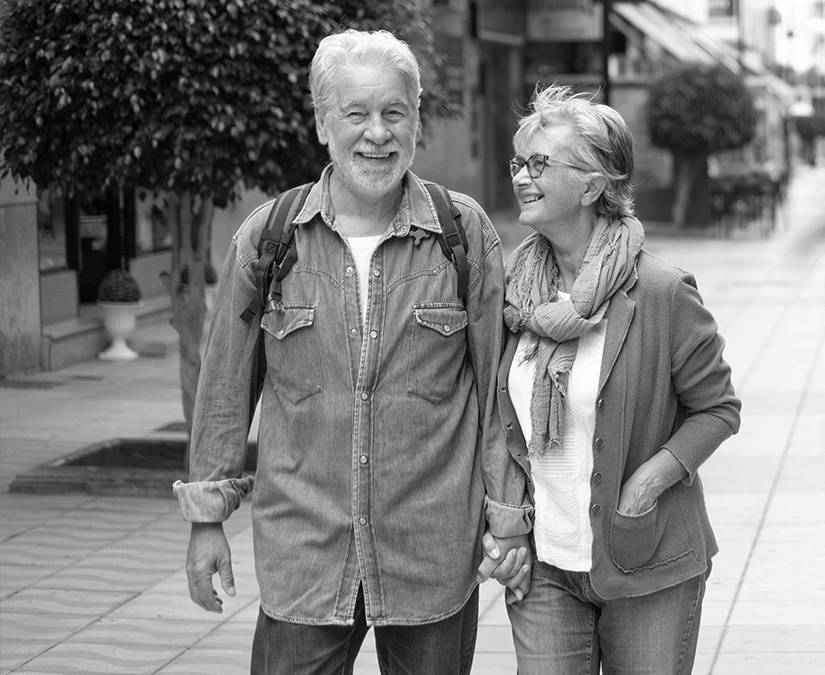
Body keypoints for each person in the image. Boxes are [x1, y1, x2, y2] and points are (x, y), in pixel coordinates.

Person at [172, 29, 532, 674]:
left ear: (417, 120)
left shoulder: (462, 233)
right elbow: (226, 387)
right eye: (356, 114)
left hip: (430, 551)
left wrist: (507, 516)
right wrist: (206, 519)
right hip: (305, 553)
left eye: (394, 112)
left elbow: (497, 386)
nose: (377, 134)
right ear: (321, 123)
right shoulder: (270, 237)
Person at [481, 84, 741, 674]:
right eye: (519, 161)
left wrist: (647, 483)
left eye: (540, 163)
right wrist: (506, 527)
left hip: (646, 559)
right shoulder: (513, 292)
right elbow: (498, 420)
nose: (521, 175)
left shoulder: (661, 291)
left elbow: (718, 408)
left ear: (594, 185)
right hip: (544, 564)